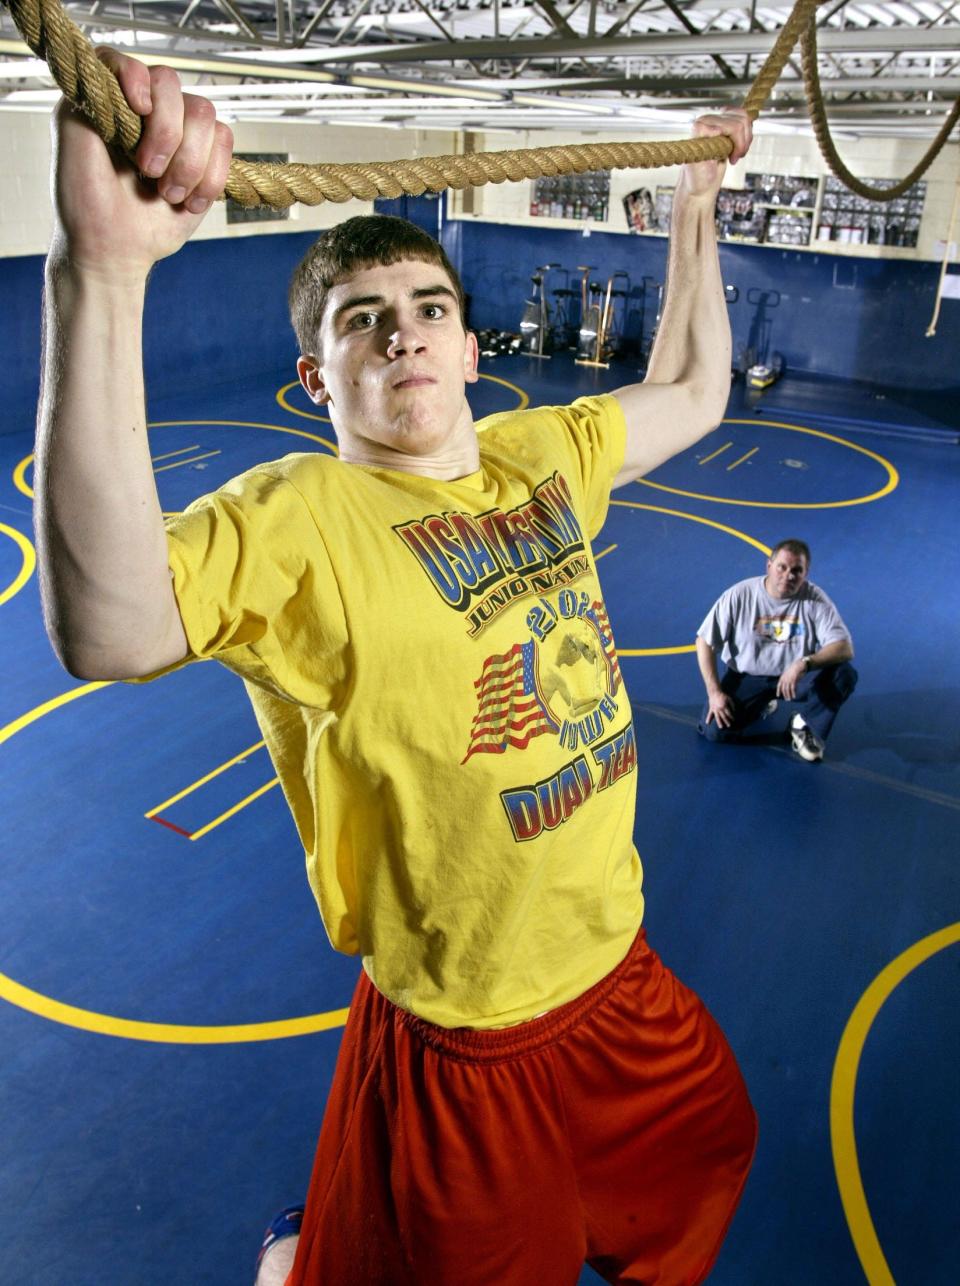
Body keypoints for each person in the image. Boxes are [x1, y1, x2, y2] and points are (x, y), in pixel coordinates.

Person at [36, 48, 757, 1286]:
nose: (403, 337)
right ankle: (302, 1254)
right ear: (318, 377)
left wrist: (693, 206)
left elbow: (692, 386)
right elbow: (110, 626)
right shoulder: (305, 514)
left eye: (428, 310)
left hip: (617, 972)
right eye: (362, 323)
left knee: (712, 1145)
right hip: (466, 1038)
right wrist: (100, 276)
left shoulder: (537, 455)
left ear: (472, 349)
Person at [696, 539, 857, 762]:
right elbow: (704, 641)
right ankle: (762, 702)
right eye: (782, 567)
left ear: (806, 573)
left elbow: (844, 647)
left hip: (795, 678)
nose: (789, 575)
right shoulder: (740, 595)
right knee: (714, 730)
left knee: (844, 674)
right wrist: (714, 693)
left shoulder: (815, 600)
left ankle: (804, 725)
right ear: (769, 566)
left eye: (796, 570)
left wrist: (804, 664)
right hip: (750, 676)